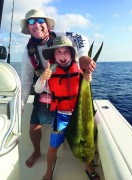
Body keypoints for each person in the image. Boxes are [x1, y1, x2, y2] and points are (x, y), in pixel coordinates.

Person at [20, 8, 96, 169]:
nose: (37, 25)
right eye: (31, 22)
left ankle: (86, 159)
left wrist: (82, 55)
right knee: (34, 125)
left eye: (40, 20)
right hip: (46, 87)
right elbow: (26, 81)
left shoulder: (61, 34)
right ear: (28, 28)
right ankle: (36, 151)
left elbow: (81, 37)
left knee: (82, 127)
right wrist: (21, 104)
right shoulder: (27, 53)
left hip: (71, 88)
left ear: (48, 25)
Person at [35, 36, 99, 180]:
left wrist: (88, 76)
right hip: (61, 117)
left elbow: (88, 81)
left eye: (66, 52)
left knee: (88, 141)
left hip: (80, 115)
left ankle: (88, 167)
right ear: (53, 55)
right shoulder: (50, 71)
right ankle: (48, 171)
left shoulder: (79, 68)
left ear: (72, 54)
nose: (62, 55)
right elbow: (38, 89)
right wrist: (43, 78)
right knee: (54, 145)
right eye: (58, 52)